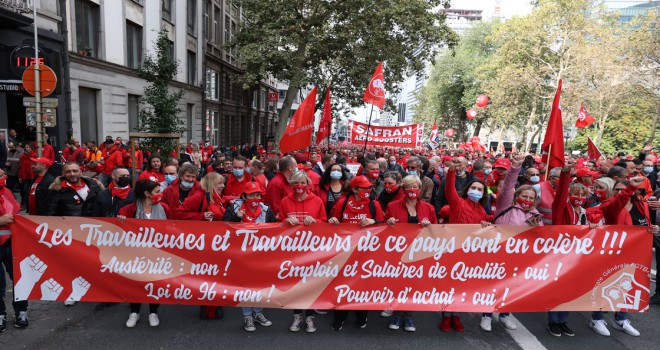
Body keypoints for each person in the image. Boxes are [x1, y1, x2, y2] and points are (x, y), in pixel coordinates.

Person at [590, 176, 657, 337]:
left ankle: (620, 320)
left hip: (633, 253)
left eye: (622, 189)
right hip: (611, 253)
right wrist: (629, 189)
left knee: (626, 286)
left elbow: (643, 227)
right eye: (617, 190)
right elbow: (619, 201)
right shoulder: (610, 205)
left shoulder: (641, 205)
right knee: (605, 284)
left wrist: (653, 229)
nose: (619, 192)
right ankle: (597, 318)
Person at [481, 154, 538, 332]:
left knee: (513, 287)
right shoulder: (505, 205)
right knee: (493, 285)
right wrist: (515, 168)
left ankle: (505, 314)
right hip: (498, 253)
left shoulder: (535, 216)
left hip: (519, 257)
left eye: (531, 198)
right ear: (516, 196)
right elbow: (507, 187)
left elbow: (538, 240)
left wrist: (537, 229)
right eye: (524, 196)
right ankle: (487, 315)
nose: (527, 200)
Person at [441, 158, 492, 332]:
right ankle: (446, 316)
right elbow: (449, 189)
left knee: (461, 285)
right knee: (448, 285)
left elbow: (488, 227)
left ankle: (456, 315)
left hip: (469, 254)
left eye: (479, 189)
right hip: (452, 251)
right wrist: (452, 172)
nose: (476, 191)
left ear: (483, 194)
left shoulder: (482, 212)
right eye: (473, 188)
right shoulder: (458, 204)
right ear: (467, 190)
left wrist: (487, 225)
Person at [328, 175, 384, 331]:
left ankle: (361, 316)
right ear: (354, 189)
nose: (368, 190)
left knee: (362, 286)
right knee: (342, 285)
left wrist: (375, 221)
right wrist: (332, 221)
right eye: (364, 188)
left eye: (369, 188)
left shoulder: (374, 205)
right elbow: (331, 222)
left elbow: (384, 226)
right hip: (344, 253)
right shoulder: (342, 203)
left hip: (366, 253)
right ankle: (339, 317)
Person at [384, 175, 437, 332]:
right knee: (398, 283)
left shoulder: (429, 208)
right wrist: (389, 222)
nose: (411, 190)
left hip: (419, 253)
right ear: (403, 189)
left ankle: (408, 315)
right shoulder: (392, 206)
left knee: (413, 284)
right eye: (408, 187)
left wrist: (430, 225)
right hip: (398, 253)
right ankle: (397, 313)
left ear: (420, 189)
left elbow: (436, 231)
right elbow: (382, 227)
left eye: (415, 187)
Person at [118, 180, 172, 328]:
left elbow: (174, 228)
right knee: (135, 282)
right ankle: (134, 312)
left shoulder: (164, 208)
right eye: (156, 192)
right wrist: (122, 220)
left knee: (155, 283)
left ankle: (153, 312)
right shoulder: (129, 210)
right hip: (135, 254)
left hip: (157, 254)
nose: (159, 194)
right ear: (146, 194)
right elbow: (119, 230)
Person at [277, 171, 327, 333]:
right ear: (291, 185)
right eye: (296, 183)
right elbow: (277, 224)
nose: (299, 186)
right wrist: (284, 221)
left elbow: (324, 222)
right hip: (292, 250)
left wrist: (316, 221)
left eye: (303, 183)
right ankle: (297, 315)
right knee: (296, 285)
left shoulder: (317, 201)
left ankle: (310, 316)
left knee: (311, 284)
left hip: (312, 249)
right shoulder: (285, 201)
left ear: (308, 185)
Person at [0, 167, 27, 331]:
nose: (5, 176)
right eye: (1, 175)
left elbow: (15, 213)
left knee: (19, 278)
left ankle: (21, 310)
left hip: (11, 243)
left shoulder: (7, 192)